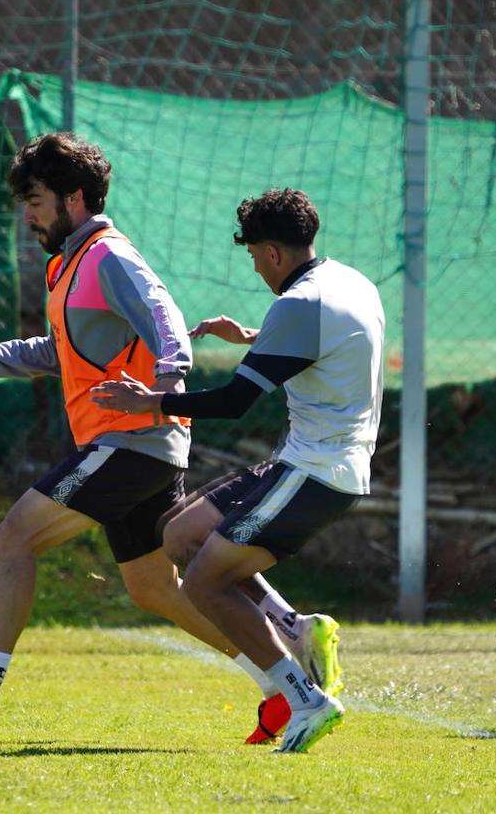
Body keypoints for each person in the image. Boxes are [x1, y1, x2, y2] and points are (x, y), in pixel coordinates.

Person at [0, 134, 336, 744]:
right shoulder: (68, 264)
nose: (27, 214)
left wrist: (167, 376)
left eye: (37, 200)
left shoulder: (109, 257)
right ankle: (287, 685)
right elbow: (65, 350)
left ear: (74, 199)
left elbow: (166, 320)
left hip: (128, 441)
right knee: (152, 587)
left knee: (15, 536)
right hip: (133, 445)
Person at [90, 188, 385, 754]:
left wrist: (151, 403)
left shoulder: (298, 304)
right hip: (309, 463)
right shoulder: (349, 283)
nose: (253, 266)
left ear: (273, 252)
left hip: (316, 472)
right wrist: (252, 336)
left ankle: (307, 700)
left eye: (253, 255)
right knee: (180, 533)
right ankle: (298, 629)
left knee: (204, 583)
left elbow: (233, 401)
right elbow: (332, 344)